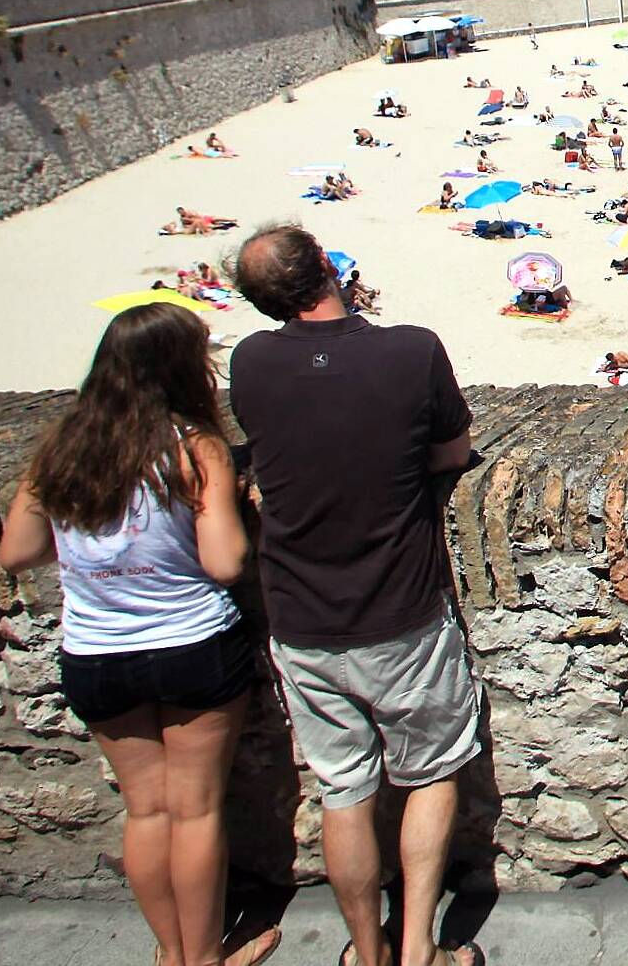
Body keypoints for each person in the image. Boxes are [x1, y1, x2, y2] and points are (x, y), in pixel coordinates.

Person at [224, 226, 484, 966]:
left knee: (343, 791)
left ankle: (366, 953)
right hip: (398, 611)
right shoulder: (409, 350)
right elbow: (451, 452)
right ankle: (418, 950)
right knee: (431, 772)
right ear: (330, 269)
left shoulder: (251, 362)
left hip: (300, 619)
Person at [0, 305, 281, 966]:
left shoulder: (61, 446)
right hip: (190, 642)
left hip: (97, 650)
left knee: (146, 811)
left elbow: (16, 551)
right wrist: (238, 503)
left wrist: (94, 552)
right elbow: (224, 562)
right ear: (183, 368)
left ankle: (170, 951)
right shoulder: (193, 446)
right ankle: (207, 956)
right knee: (196, 810)